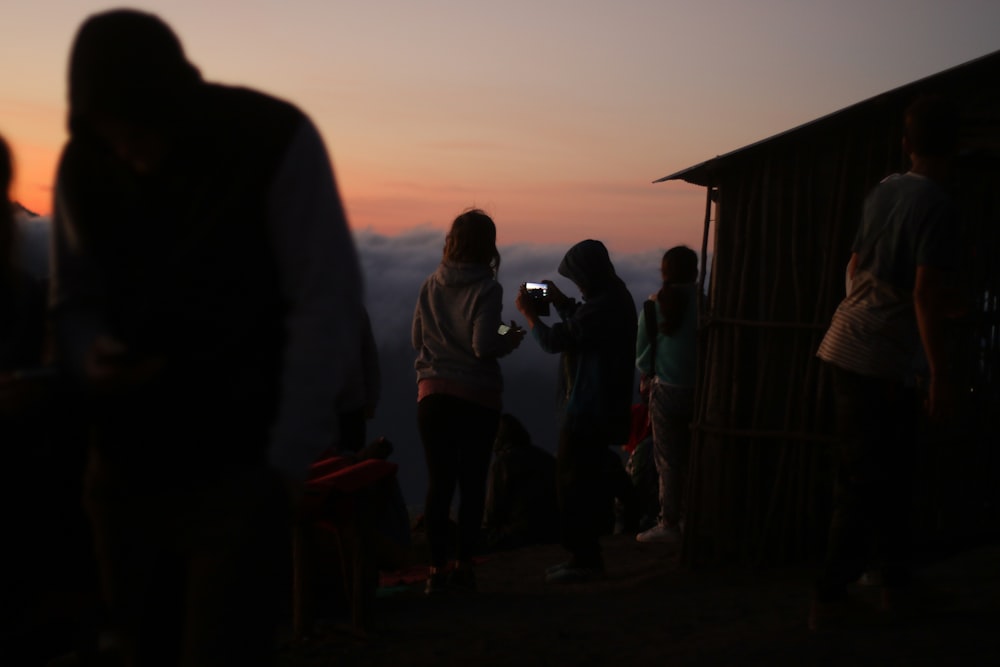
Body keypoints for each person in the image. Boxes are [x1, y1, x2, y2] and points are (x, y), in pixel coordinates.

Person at [50, 9, 364, 666]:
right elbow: (74, 299)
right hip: (123, 470)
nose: (124, 151)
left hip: (238, 467)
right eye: (109, 136)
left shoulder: (273, 140)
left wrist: (282, 467)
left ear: (167, 103)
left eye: (134, 132)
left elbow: (323, 307)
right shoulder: (85, 161)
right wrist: (89, 352)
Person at [811, 94, 965, 628]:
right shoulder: (940, 207)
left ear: (906, 145)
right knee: (866, 482)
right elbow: (923, 293)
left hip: (847, 345)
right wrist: (940, 373)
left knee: (887, 476)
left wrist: (873, 310)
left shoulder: (884, 191)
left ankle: (893, 587)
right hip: (874, 360)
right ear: (957, 147)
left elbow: (856, 268)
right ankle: (829, 599)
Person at [412, 208, 525, 594]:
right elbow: (483, 344)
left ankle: (434, 573)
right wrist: (510, 335)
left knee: (438, 485)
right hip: (475, 398)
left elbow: (416, 337)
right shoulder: (487, 288)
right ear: (487, 246)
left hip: (431, 396)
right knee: (472, 483)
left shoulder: (430, 284)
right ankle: (464, 568)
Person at [515, 239, 637, 583]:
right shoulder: (612, 298)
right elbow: (584, 326)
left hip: (587, 409)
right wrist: (562, 302)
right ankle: (588, 552)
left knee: (571, 484)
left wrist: (529, 314)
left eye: (578, 278)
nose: (578, 285)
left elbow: (556, 341)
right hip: (599, 407)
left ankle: (583, 557)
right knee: (585, 480)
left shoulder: (604, 306)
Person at [634, 246, 699, 544]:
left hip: (665, 393)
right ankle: (692, 517)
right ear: (695, 271)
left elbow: (643, 359)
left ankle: (669, 522)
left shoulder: (652, 307)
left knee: (669, 460)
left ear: (664, 273)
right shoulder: (707, 305)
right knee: (695, 455)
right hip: (703, 392)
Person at [483, 412, 559, 551]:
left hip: (519, 535)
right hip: (554, 530)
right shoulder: (546, 459)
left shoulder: (502, 463)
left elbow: (492, 513)